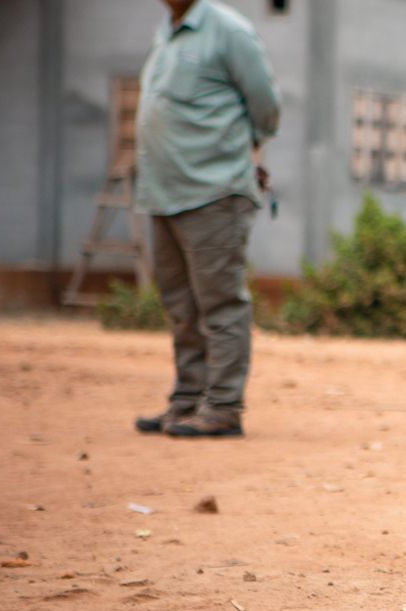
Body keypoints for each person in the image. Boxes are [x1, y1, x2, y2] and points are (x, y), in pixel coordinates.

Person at [131, 0, 280, 439]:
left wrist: (240, 153)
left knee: (220, 305)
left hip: (213, 192)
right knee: (180, 305)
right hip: (163, 193)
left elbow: (266, 106)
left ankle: (223, 407)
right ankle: (186, 401)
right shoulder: (167, 31)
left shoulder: (228, 30)